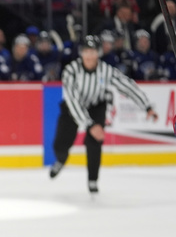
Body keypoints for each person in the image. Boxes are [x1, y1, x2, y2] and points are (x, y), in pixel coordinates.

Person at [49, 35, 158, 193]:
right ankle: (61, 160)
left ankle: (93, 180)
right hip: (73, 108)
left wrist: (146, 105)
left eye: (93, 51)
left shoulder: (106, 71)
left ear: (99, 53)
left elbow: (126, 86)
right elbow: (72, 100)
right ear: (81, 53)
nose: (90, 55)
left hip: (96, 105)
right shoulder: (71, 71)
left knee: (95, 141)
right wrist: (89, 124)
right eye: (86, 51)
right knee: (60, 143)